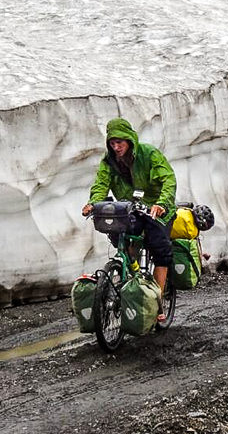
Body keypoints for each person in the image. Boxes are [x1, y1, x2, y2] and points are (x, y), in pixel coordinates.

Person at [81, 118, 176, 322]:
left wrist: (162, 204)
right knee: (122, 236)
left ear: (130, 140)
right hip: (129, 207)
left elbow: (168, 179)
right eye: (112, 143)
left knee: (160, 248)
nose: (116, 147)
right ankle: (130, 276)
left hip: (155, 208)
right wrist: (93, 203)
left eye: (120, 143)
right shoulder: (109, 161)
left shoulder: (149, 154)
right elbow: (101, 184)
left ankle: (157, 302)